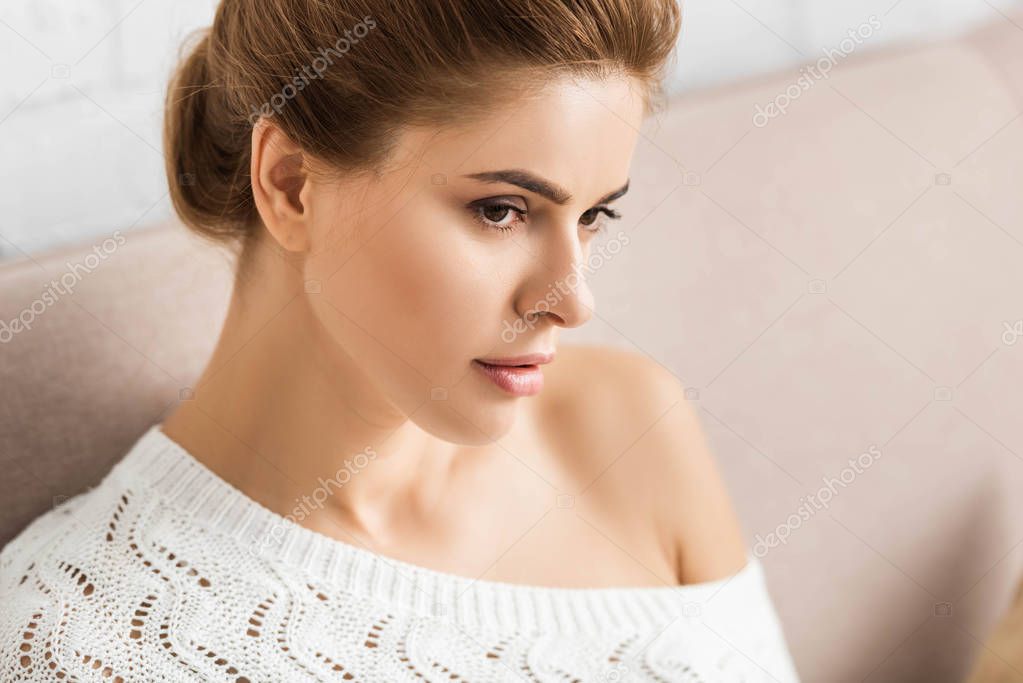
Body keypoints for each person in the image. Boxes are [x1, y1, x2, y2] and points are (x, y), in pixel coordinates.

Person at [0, 1, 800, 680]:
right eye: (501, 210)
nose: (573, 300)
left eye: (593, 215)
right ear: (291, 185)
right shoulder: (84, 640)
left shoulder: (626, 423)